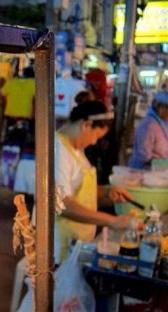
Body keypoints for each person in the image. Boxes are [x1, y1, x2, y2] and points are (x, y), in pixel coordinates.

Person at [55, 100, 133, 263]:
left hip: (76, 239)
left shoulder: (75, 149)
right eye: (96, 136)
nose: (94, 142)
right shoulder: (58, 150)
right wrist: (112, 221)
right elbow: (62, 203)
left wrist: (107, 191)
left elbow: (77, 189)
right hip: (58, 245)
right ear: (86, 125)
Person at [128, 90, 168, 169]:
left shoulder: (166, 123)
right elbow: (144, 157)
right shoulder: (148, 126)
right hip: (143, 172)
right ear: (162, 107)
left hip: (159, 171)